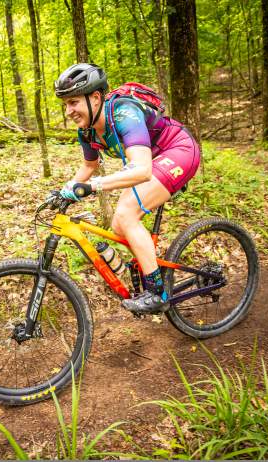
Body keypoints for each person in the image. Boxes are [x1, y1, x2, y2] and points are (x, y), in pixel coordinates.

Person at [54, 63, 201, 314]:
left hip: (178, 150)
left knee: (125, 213)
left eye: (74, 102)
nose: (69, 111)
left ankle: (156, 292)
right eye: (66, 104)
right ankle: (150, 268)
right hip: (152, 160)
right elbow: (89, 164)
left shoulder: (123, 113)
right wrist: (64, 191)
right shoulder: (87, 131)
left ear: (96, 98)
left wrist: (94, 186)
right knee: (118, 225)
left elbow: (142, 171)